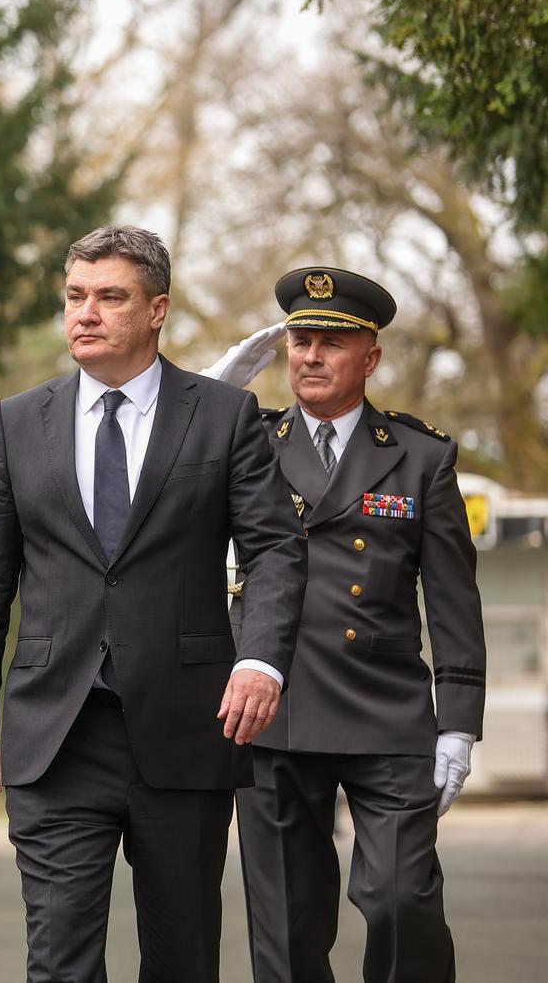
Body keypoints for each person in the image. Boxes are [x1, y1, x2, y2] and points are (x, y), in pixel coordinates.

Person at [0, 224, 307, 981]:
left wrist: (262, 660)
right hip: (56, 736)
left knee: (181, 963)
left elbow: (276, 548)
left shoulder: (222, 415)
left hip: (185, 732)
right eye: (75, 295)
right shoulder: (20, 422)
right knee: (59, 964)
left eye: (110, 296)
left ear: (157, 310)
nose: (85, 312)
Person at [216, 266, 486, 983]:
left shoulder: (421, 457)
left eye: (331, 343)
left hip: (386, 714)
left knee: (402, 900)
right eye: (300, 339)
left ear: (371, 356)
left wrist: (458, 720)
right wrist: (211, 393)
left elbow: (454, 598)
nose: (310, 354)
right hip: (277, 711)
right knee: (287, 931)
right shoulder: (248, 446)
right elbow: (157, 494)